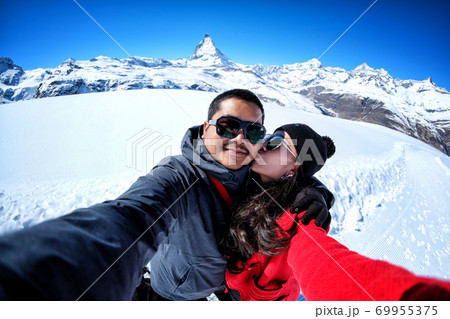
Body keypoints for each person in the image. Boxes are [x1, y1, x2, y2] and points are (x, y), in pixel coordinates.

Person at [0, 89, 333, 301]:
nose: (240, 139)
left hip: (220, 292)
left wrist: (315, 192)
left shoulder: (255, 172)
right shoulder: (179, 177)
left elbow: (291, 179)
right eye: (228, 127)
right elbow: (131, 218)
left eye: (255, 132)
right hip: (171, 296)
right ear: (206, 129)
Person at [223, 124, 450, 301]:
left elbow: (326, 265)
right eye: (270, 136)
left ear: (294, 168)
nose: (264, 144)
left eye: (277, 142)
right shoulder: (238, 175)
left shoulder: (299, 218)